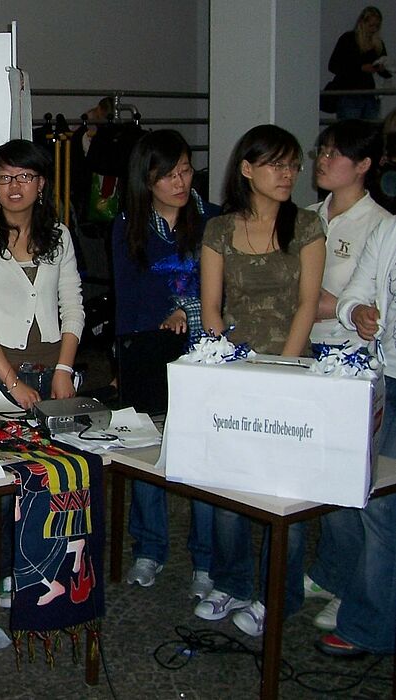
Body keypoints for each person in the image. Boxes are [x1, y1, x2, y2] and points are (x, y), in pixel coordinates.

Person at [195, 124, 326, 636]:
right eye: (276, 164)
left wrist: (283, 372)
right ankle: (231, 581)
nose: (287, 174)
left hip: (291, 372)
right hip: (235, 371)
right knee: (230, 487)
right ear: (247, 169)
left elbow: (308, 304)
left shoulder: (307, 225)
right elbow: (211, 307)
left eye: (292, 165)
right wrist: (224, 363)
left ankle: (278, 595)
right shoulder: (219, 229)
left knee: (283, 492)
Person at [111, 130, 221, 597]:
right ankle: (149, 548)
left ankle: (206, 562)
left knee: (204, 457)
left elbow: (227, 291)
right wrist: (161, 317)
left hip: (206, 353)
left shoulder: (214, 220)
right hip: (151, 352)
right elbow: (129, 298)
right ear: (147, 179)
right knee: (148, 451)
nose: (180, 183)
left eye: (185, 171)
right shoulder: (128, 226)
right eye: (167, 175)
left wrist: (186, 311)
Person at [301, 120, 392, 634]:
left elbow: (365, 301)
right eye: (323, 150)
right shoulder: (311, 215)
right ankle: (332, 570)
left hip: (355, 358)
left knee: (359, 482)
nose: (323, 160)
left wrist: (309, 302)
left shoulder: (377, 224)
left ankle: (356, 586)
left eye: (336, 154)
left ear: (363, 165)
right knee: (323, 473)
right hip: (309, 349)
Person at [316, 215, 396, 658]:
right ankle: (361, 600)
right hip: (383, 375)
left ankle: (368, 624)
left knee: (381, 507)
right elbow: (355, 294)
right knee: (364, 491)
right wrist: (358, 313)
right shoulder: (389, 231)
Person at [0, 139, 84, 409]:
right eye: (4, 178)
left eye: (25, 176)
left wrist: (64, 369)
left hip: (51, 373)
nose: (14, 186)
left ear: (40, 184)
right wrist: (13, 383)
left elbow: (73, 305)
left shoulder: (60, 236)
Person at [328, 6, 390, 121]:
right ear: (362, 23)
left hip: (371, 96)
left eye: (377, 26)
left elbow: (387, 72)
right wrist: (360, 68)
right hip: (350, 94)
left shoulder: (378, 44)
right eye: (371, 25)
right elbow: (333, 66)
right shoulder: (348, 39)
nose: (374, 29)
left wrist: (382, 69)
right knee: (350, 129)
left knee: (370, 129)